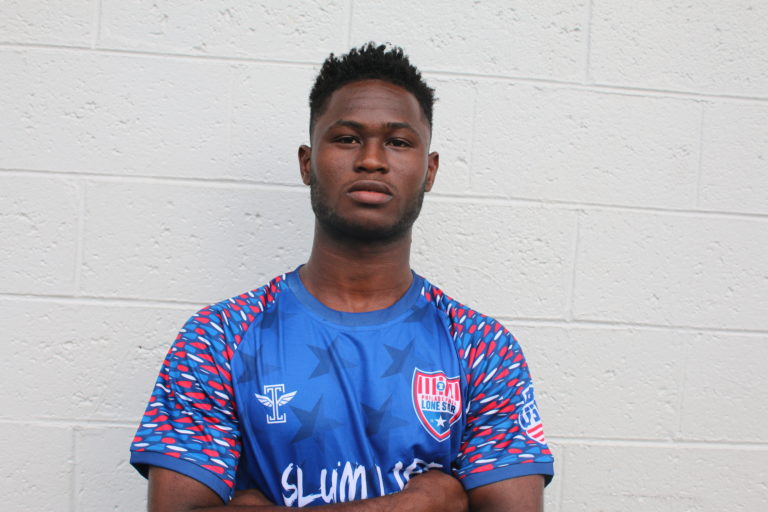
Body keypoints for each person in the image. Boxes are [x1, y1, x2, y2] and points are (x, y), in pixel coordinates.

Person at [130, 42, 554, 511]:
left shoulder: (482, 347)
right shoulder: (218, 338)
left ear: (429, 170)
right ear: (307, 163)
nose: (371, 159)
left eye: (398, 142)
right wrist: (409, 507)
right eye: (348, 138)